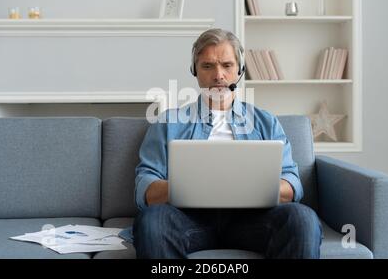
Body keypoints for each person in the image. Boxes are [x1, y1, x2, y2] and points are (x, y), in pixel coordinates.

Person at [133, 28, 322, 259]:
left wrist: (251, 187)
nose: (218, 75)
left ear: (240, 70)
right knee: (152, 222)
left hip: (253, 222)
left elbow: (292, 184)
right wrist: (188, 187)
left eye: (227, 65)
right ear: (195, 71)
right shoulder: (168, 122)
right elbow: (146, 188)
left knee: (302, 218)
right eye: (208, 66)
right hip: (189, 221)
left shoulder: (266, 122)